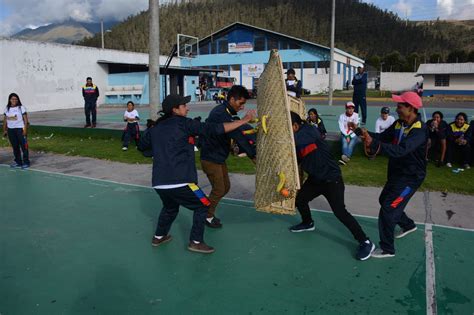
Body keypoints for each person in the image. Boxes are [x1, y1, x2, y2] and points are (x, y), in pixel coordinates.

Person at [139, 94, 255, 254]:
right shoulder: (185, 124)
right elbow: (215, 129)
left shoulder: (156, 129)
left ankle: (159, 236)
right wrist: (243, 121)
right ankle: (196, 241)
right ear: (175, 109)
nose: (187, 108)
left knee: (170, 208)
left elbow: (143, 148)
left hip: (160, 183)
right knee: (204, 205)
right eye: (184, 105)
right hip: (182, 182)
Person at [288, 112, 375, 261]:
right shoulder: (298, 139)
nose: (287, 132)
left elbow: (291, 141)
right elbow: (297, 157)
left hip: (331, 179)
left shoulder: (308, 130)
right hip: (315, 180)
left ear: (295, 126)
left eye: (287, 128)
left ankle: (365, 241)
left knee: (340, 212)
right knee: (300, 199)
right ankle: (308, 222)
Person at [352, 91, 428, 258]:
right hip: (397, 174)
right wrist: (362, 132)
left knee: (388, 207)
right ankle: (408, 225)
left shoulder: (420, 130)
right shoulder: (399, 124)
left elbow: (401, 150)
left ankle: (387, 248)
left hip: (411, 178)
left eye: (400, 105)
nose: (397, 108)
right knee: (384, 200)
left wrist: (376, 146)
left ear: (411, 108)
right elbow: (382, 137)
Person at [199, 85, 257, 228]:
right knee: (219, 189)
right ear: (232, 99)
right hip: (210, 158)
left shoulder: (226, 113)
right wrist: (253, 156)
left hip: (218, 158)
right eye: (241, 103)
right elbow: (237, 134)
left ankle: (206, 212)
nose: (242, 107)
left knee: (225, 187)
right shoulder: (220, 113)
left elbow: (238, 132)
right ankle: (205, 215)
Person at [2, 93, 30, 169]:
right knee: (15, 147)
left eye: (15, 99)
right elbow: (5, 120)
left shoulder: (21, 107)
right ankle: (18, 162)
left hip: (20, 129)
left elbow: (26, 120)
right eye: (12, 99)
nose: (14, 100)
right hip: (11, 130)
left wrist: (25, 130)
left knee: (24, 147)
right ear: (9, 100)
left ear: (18, 100)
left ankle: (26, 162)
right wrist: (4, 130)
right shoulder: (7, 108)